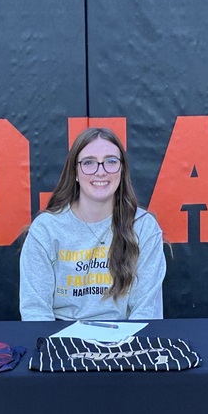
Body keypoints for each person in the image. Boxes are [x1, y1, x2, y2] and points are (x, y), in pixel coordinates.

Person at [19, 127, 166, 321]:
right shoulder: (46, 229)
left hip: (125, 337)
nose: (101, 172)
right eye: (89, 162)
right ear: (75, 172)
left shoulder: (144, 227)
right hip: (59, 336)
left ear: (122, 170)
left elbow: (146, 312)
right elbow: (35, 312)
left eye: (111, 161)